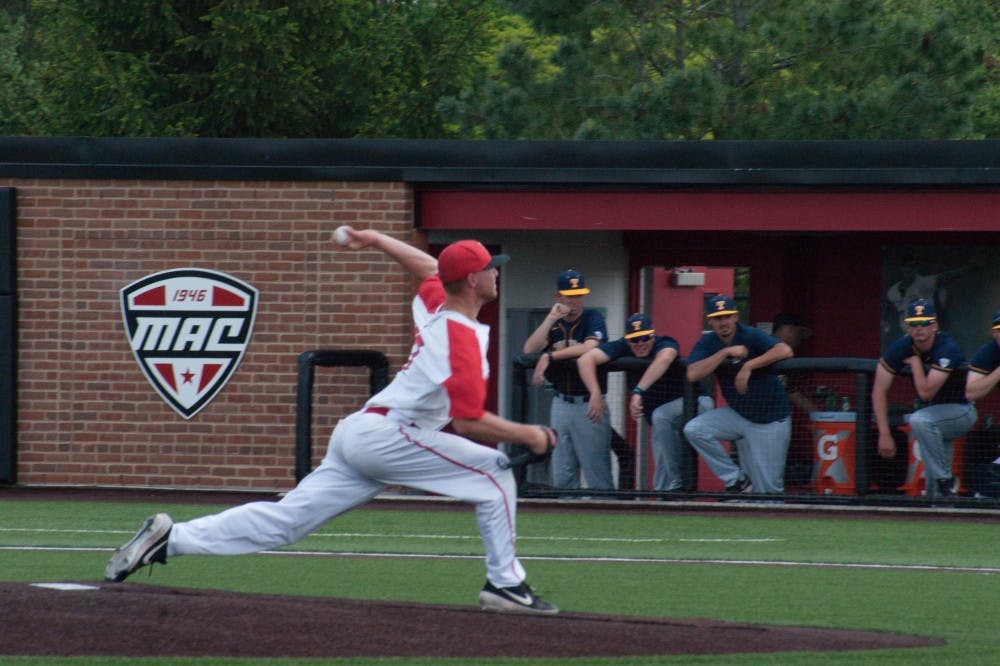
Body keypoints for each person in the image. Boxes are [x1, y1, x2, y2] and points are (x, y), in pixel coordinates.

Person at [105, 227, 559, 615]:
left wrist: (377, 238)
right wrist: (531, 434)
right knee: (493, 474)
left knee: (286, 522)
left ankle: (171, 538)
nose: (498, 270)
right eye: (491, 266)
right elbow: (466, 421)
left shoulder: (439, 304)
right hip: (390, 435)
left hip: (361, 433)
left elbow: (426, 267)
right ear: (474, 280)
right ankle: (505, 584)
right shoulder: (458, 338)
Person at [578, 313, 713, 491]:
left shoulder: (663, 342)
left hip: (696, 405)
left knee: (668, 428)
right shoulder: (622, 346)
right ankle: (668, 498)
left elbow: (665, 357)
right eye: (635, 339)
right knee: (662, 463)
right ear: (627, 340)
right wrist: (595, 392)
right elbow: (585, 359)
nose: (640, 343)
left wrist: (638, 390)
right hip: (663, 421)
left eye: (645, 337)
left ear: (652, 335)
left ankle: (731, 481)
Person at [682, 295, 794, 494]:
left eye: (727, 316)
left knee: (768, 491)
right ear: (710, 321)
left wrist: (748, 366)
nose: (723, 322)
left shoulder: (749, 334)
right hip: (739, 415)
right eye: (717, 318)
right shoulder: (708, 341)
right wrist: (724, 353)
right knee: (695, 429)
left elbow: (785, 350)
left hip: (770, 419)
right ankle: (736, 480)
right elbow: (693, 373)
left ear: (735, 316)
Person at [872, 298, 976, 499]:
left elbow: (926, 393)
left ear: (934, 325)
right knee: (934, 491)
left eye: (924, 323)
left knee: (919, 420)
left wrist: (914, 363)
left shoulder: (947, 346)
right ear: (907, 326)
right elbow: (879, 389)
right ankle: (943, 495)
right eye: (913, 324)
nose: (919, 329)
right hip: (934, 418)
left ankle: (946, 479)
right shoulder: (901, 345)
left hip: (960, 411)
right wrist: (884, 433)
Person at [522, 269, 613, 490]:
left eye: (579, 295)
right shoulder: (554, 323)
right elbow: (528, 350)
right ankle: (567, 515)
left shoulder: (592, 317)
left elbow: (591, 346)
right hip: (561, 402)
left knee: (596, 470)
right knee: (563, 469)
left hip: (589, 403)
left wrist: (551, 355)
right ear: (559, 296)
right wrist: (551, 318)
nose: (574, 301)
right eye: (569, 295)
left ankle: (605, 517)